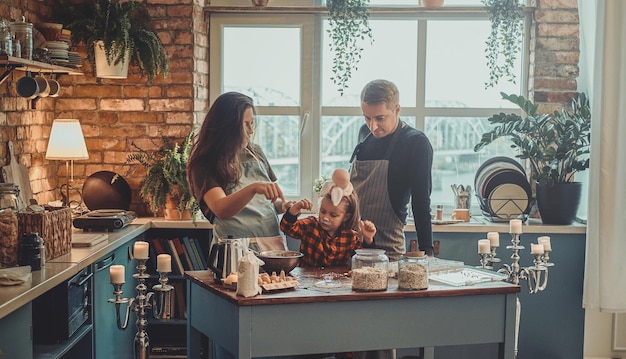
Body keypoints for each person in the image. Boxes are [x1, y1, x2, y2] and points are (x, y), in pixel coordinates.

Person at [349, 80, 434, 358]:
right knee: (350, 332)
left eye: (380, 118)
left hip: (388, 253)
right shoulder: (365, 136)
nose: (373, 126)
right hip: (352, 248)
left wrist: (427, 254)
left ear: (397, 109)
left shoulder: (416, 144)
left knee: (382, 333)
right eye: (367, 118)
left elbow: (421, 203)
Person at [187, 91, 292, 243]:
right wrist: (253, 188)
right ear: (228, 126)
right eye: (245, 124)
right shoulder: (203, 163)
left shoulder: (256, 152)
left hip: (271, 246)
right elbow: (221, 209)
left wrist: (283, 206)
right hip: (233, 249)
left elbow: (264, 204)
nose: (251, 130)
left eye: (252, 123)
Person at [280, 169, 376, 267]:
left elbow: (366, 259)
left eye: (333, 215)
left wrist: (368, 239)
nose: (325, 218)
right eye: (323, 211)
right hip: (308, 279)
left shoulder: (351, 237)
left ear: (346, 217)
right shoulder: (310, 225)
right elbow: (286, 227)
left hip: (338, 281)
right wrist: (296, 207)